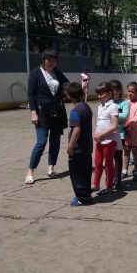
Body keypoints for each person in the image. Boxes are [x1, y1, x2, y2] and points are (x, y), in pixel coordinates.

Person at [25, 49, 69, 185]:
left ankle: (51, 168)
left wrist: (74, 91)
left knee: (55, 142)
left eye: (54, 60)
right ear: (43, 60)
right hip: (42, 112)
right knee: (41, 142)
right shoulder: (35, 73)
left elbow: (66, 85)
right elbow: (31, 94)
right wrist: (33, 112)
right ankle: (30, 171)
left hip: (57, 112)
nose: (51, 62)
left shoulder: (58, 73)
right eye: (48, 59)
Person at [66, 82, 93, 206]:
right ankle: (86, 194)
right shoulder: (86, 107)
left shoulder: (75, 111)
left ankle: (82, 198)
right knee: (86, 172)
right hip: (87, 147)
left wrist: (70, 146)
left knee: (77, 174)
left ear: (69, 96)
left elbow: (76, 130)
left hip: (78, 149)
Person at [92, 82, 121, 195]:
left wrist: (101, 135)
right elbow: (99, 122)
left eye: (101, 94)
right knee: (97, 162)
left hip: (109, 140)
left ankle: (109, 186)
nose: (99, 96)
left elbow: (114, 126)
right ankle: (95, 184)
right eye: (98, 94)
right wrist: (96, 133)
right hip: (100, 139)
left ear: (109, 93)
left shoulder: (113, 107)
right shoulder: (100, 106)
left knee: (108, 163)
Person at [122, 81, 137, 180]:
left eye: (133, 91)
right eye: (129, 91)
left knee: (135, 152)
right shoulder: (125, 102)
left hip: (135, 131)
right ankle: (124, 170)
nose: (130, 93)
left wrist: (130, 124)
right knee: (126, 151)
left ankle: (136, 171)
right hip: (125, 130)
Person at [109, 80, 129, 188]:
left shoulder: (124, 103)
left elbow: (124, 116)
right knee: (109, 157)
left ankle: (117, 179)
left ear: (120, 91)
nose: (112, 92)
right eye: (110, 90)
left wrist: (112, 114)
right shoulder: (108, 103)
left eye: (114, 90)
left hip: (120, 134)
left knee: (117, 157)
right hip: (108, 134)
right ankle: (110, 178)